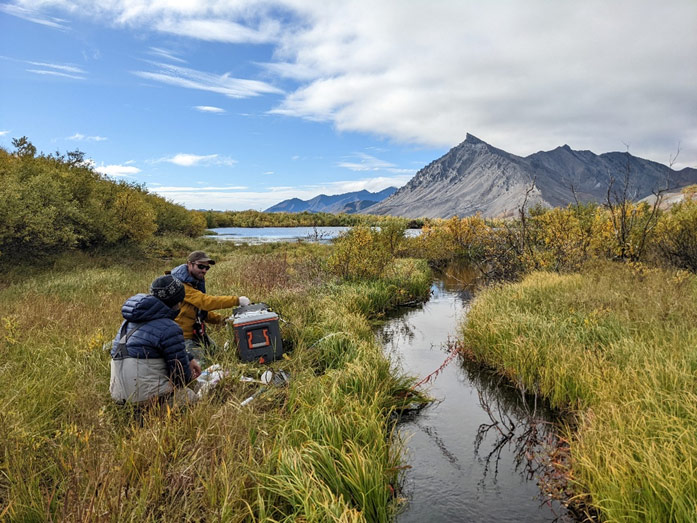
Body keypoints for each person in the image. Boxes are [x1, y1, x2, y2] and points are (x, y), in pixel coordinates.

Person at [109, 275, 201, 406]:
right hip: (146, 400)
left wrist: (188, 358)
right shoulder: (170, 327)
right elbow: (180, 377)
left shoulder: (127, 323)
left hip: (118, 397)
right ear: (177, 301)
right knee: (190, 396)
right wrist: (190, 374)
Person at [170, 251, 250, 363]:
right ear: (189, 264)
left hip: (197, 334)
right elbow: (205, 302)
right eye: (200, 266)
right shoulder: (180, 285)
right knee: (202, 365)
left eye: (207, 268)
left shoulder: (194, 282)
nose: (204, 270)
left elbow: (201, 312)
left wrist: (223, 320)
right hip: (182, 338)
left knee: (219, 355)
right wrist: (237, 300)